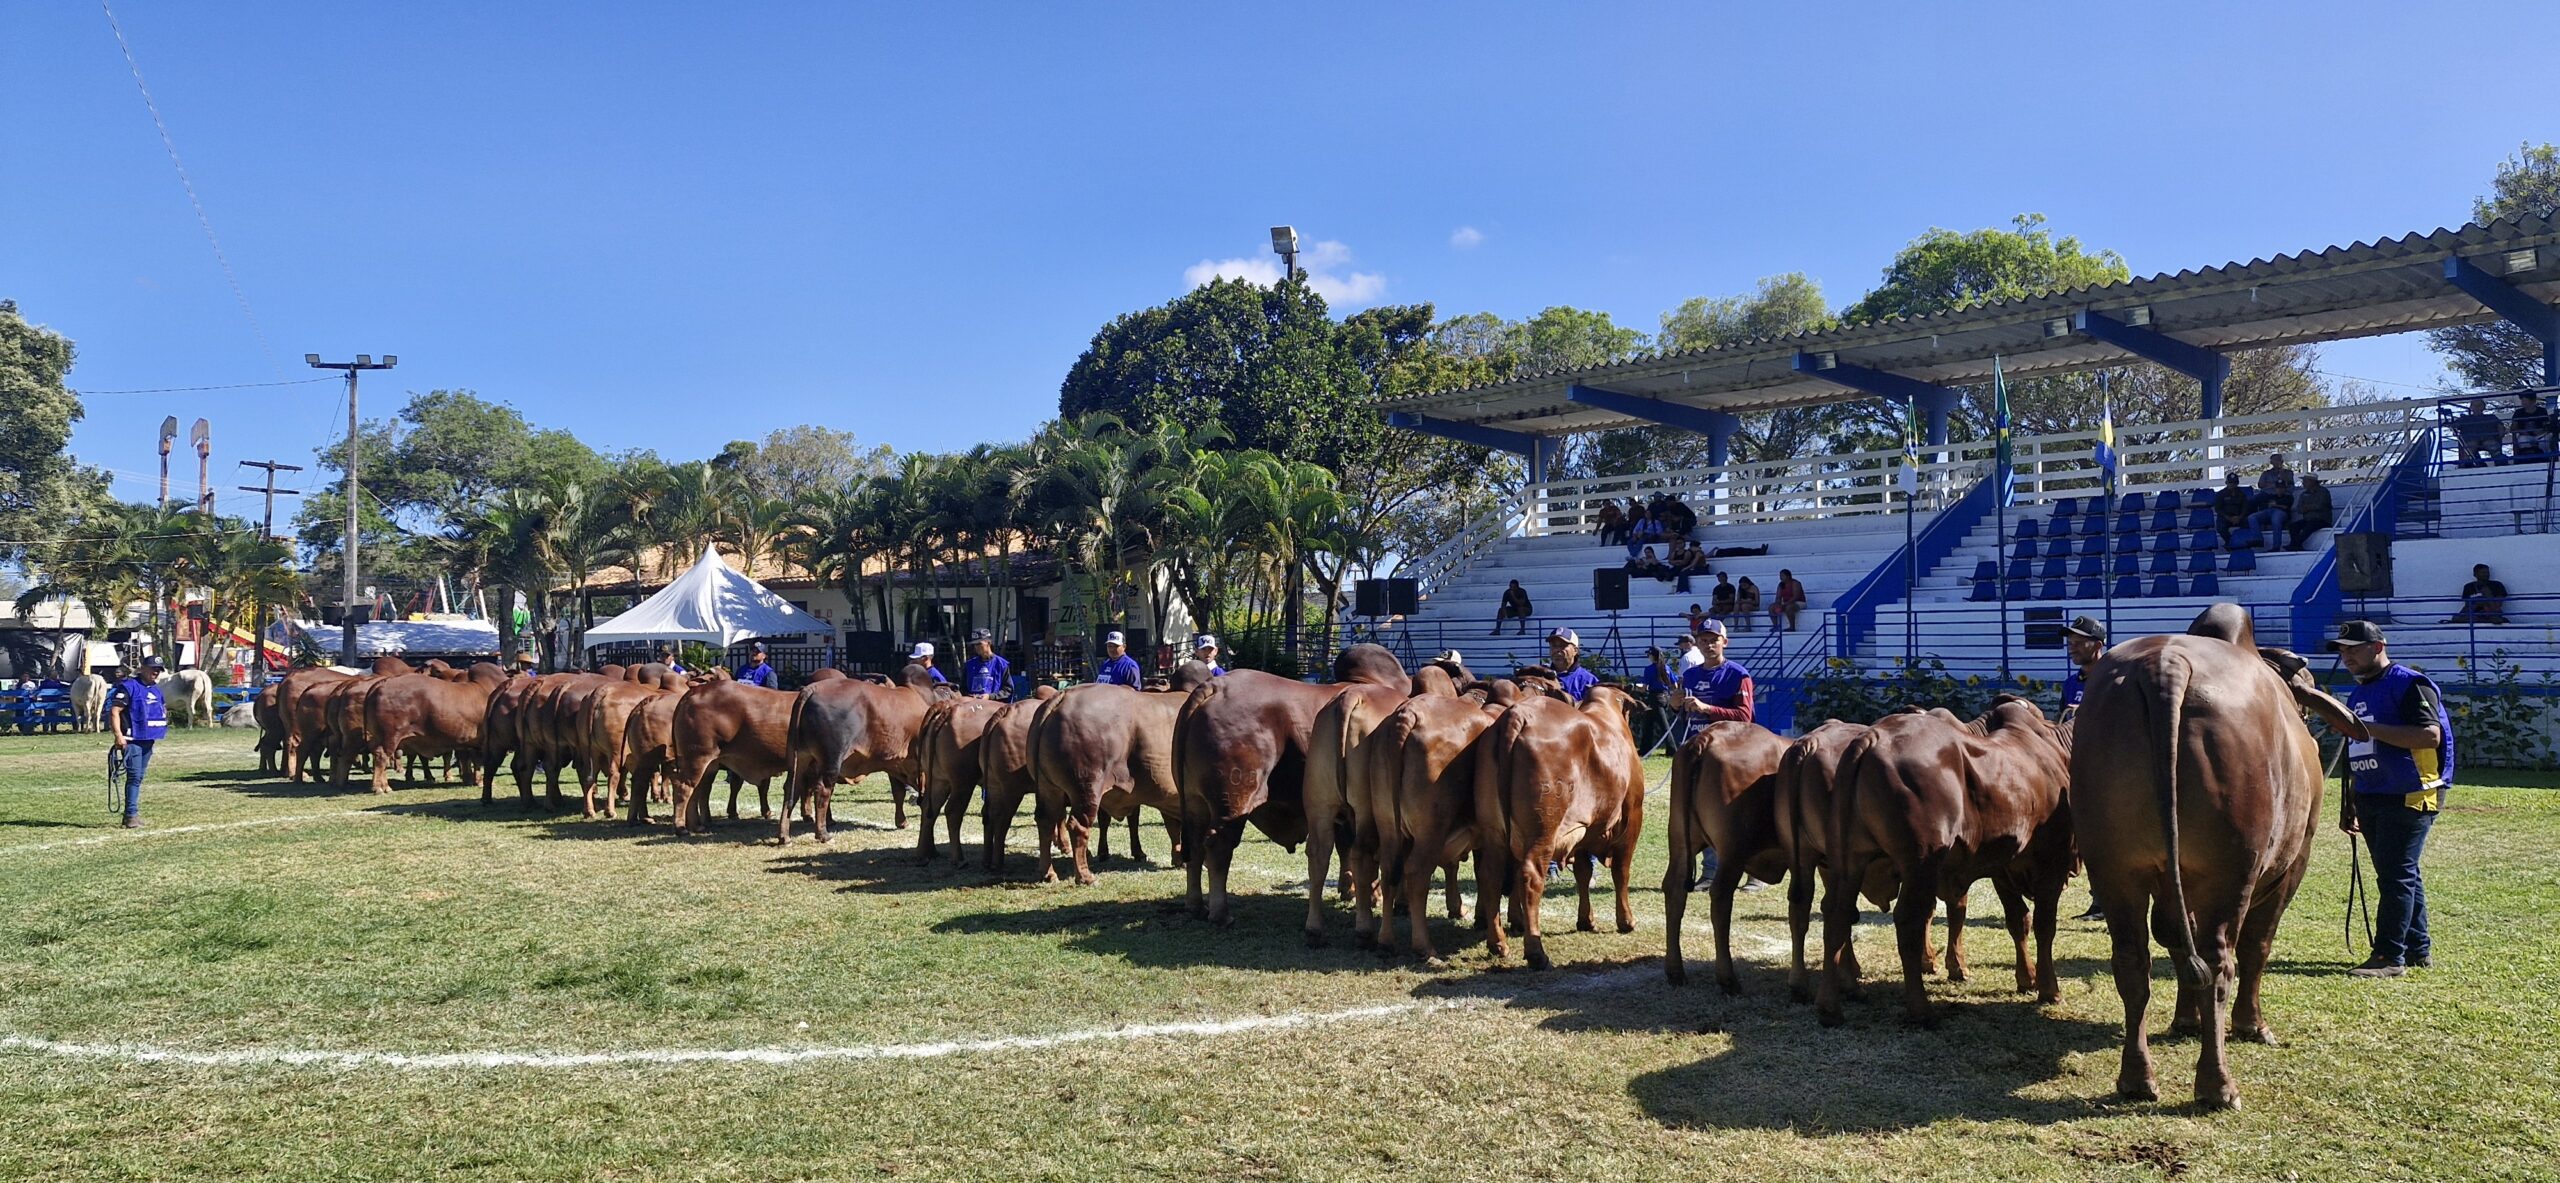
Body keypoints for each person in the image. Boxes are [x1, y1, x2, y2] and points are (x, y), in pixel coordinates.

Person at [2324, 620, 2452, 978]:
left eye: (2353, 648)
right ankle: (2417, 949)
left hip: (2412, 791)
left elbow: (2429, 736)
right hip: (2371, 793)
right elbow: (2359, 747)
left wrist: (2362, 727)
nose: (2346, 656)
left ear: (2378, 647)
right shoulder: (2359, 693)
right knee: (2400, 874)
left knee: (2396, 876)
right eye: (2342, 650)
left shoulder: (2410, 684)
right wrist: (2351, 798)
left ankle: (2388, 957)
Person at [1669, 619, 1757, 890]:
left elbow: (1745, 716)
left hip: (1733, 755)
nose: (1709, 644)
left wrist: (1708, 709)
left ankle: (1756, 873)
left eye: (1714, 639)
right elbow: (1682, 711)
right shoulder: (1691, 676)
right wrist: (1675, 705)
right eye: (1704, 639)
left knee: (1741, 814)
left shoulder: (1737, 674)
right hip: (1698, 752)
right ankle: (1710, 872)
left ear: (1724, 642)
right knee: (1701, 812)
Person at [106, 657, 171, 829]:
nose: (155, 672)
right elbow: (115, 711)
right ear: (142, 668)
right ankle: (131, 815)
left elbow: (161, 709)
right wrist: (118, 735)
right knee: (134, 776)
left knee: (139, 777)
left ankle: (131, 813)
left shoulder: (156, 690)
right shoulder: (129, 687)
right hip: (132, 740)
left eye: (158, 669)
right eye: (152, 668)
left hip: (148, 739)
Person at [1544, 628, 1597, 703]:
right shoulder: (1539, 676)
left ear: (1575, 650)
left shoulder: (1589, 681)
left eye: (1563, 646)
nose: (1557, 650)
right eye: (1554, 646)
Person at [2452, 398, 2506, 467]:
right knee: (2471, 446)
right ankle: (2471, 463)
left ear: (2484, 407)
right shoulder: (2465, 419)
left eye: (2479, 405)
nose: (2477, 407)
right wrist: (2451, 424)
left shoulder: (2491, 417)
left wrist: (2500, 433)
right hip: (2472, 441)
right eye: (2474, 405)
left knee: (2492, 445)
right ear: (2471, 407)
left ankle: (2500, 462)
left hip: (2489, 439)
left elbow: (2500, 426)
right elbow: (2454, 426)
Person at [2286, 471, 2333, 551]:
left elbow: (2321, 505)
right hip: (2308, 519)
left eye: (2305, 481)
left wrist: (2308, 507)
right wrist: (2308, 507)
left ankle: (2295, 544)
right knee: (2293, 526)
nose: (2303, 483)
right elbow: (2299, 509)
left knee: (2310, 526)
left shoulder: (2323, 492)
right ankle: (2296, 545)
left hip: (2322, 520)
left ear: (2312, 481)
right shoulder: (2303, 494)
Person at [961, 630, 1010, 699]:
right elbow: (962, 689)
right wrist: (970, 696)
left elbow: (1008, 689)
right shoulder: (969, 665)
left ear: (988, 643)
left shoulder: (1001, 664)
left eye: (979, 644)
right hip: (972, 706)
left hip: (993, 706)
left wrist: (990, 696)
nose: (976, 647)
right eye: (975, 644)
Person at [2212, 472, 2253, 548]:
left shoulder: (2242, 494)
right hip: (2226, 517)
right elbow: (2218, 509)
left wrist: (2239, 517)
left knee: (2249, 523)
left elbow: (2245, 507)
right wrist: (2228, 518)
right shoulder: (2221, 494)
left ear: (2237, 483)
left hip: (2239, 517)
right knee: (2220, 526)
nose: (2232, 485)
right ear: (2226, 483)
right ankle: (2230, 542)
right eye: (2230, 483)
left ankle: (2244, 542)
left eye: (2234, 483)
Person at [2513, 390, 2555, 460]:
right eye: (2522, 400)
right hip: (2526, 435)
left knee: (2545, 440)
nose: (2522, 403)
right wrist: (2522, 431)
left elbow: (2546, 425)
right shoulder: (2518, 413)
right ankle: (2529, 458)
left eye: (2525, 400)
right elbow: (2513, 427)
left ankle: (2546, 458)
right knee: (2522, 440)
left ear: (2532, 401)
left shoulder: (2542, 411)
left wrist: (2542, 431)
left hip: (2541, 435)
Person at [1770, 569, 1806, 633]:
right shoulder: (1780, 585)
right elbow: (1778, 597)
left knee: (1789, 607)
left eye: (1782, 576)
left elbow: (1796, 597)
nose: (1780, 578)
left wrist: (1785, 604)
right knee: (1771, 607)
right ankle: (1775, 626)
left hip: (1799, 602)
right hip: (1786, 603)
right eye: (1780, 576)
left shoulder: (1795, 583)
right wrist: (1778, 604)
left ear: (1788, 576)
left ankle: (1792, 627)